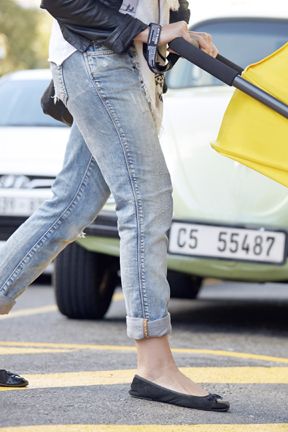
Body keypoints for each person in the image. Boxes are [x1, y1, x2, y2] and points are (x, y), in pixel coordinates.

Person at [0, 0, 228, 411]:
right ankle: (154, 362)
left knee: (69, 207)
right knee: (146, 196)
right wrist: (151, 33)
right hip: (96, 60)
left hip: (121, 65)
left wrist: (178, 29)